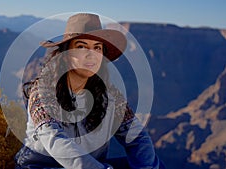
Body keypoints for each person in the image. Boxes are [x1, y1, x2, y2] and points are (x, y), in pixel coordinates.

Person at [15, 13, 163, 169]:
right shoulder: (42, 92)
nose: (91, 55)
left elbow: (136, 136)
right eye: (81, 47)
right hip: (41, 166)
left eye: (97, 48)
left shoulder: (110, 96)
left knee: (156, 165)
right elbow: (55, 141)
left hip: (94, 166)